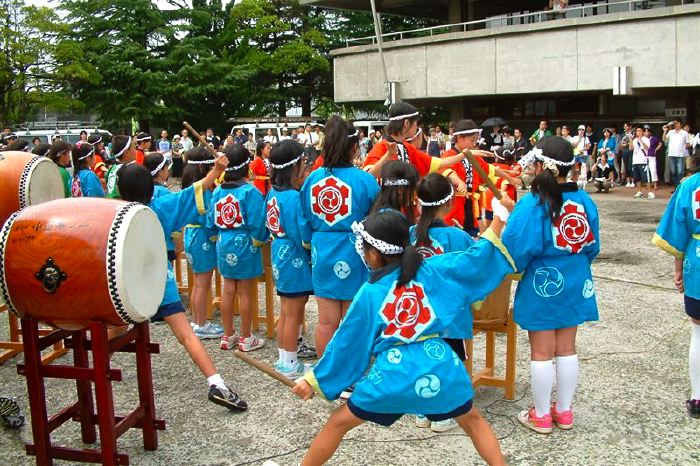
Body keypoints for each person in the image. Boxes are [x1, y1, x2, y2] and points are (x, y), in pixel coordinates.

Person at [291, 207, 514, 466]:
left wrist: (313, 381)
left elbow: (346, 345)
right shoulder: (433, 269)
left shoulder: (370, 293)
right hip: (440, 365)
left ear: (374, 253)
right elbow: (474, 259)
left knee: (338, 423)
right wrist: (498, 219)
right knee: (473, 421)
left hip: (392, 375)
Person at [117, 158, 248, 411]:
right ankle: (217, 383)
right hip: (158, 281)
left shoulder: (115, 213)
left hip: (127, 285)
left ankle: (96, 370)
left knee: (114, 329)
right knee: (187, 335)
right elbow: (196, 190)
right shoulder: (158, 206)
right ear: (149, 188)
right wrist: (218, 170)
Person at [503, 136, 599, 434]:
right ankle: (565, 412)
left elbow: (516, 247)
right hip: (575, 277)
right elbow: (592, 245)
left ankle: (542, 415)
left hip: (542, 280)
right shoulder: (585, 200)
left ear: (542, 165)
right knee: (567, 348)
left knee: (542, 351)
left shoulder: (533, 203)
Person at [298, 116, 380, 357]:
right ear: (354, 148)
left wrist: (308, 243)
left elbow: (303, 219)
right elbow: (377, 219)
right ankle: (352, 376)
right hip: (356, 252)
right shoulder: (366, 180)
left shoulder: (312, 179)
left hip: (322, 250)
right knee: (354, 322)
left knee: (326, 322)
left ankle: (326, 374)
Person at [409, 173, 476, 432]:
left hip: (418, 311)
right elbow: (473, 269)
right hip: (449, 313)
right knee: (450, 358)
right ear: (448, 204)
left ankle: (422, 409)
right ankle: (443, 412)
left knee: (421, 355)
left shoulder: (411, 234)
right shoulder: (458, 237)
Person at [652, 141, 700, 419]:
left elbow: (677, 230)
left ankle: (697, 397)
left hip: (697, 260)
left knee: (698, 332)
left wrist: (678, 269)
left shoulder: (689, 186)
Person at [207, 144, 267, 352]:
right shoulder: (250, 192)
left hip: (224, 242)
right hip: (244, 243)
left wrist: (216, 235)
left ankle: (227, 334)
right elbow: (259, 222)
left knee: (228, 289)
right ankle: (246, 337)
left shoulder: (217, 192)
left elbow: (211, 220)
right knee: (245, 292)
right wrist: (259, 239)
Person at [266, 140, 315, 378]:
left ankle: (285, 357)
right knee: (294, 310)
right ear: (293, 166)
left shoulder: (272, 192)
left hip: (279, 250)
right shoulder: (293, 198)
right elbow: (301, 233)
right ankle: (290, 362)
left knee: (287, 309)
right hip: (293, 253)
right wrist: (311, 246)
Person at [180, 148, 224, 340]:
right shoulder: (202, 191)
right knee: (202, 283)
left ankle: (197, 320)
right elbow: (208, 218)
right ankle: (200, 324)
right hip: (202, 236)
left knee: (198, 282)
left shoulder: (189, 187)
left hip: (191, 234)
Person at [362, 102, 467, 179]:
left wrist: (465, 155)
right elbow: (367, 176)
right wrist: (387, 157)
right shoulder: (382, 146)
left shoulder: (408, 148)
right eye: (416, 122)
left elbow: (438, 163)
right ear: (406, 123)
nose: (417, 126)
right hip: (387, 207)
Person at [369, 160, 420, 224]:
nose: (416, 196)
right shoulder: (394, 220)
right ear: (400, 189)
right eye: (414, 189)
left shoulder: (378, 212)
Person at [664, 120, 690, 189]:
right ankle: (676, 187)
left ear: (680, 124)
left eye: (677, 123)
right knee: (673, 172)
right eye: (674, 123)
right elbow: (664, 139)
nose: (675, 124)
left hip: (680, 155)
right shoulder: (670, 132)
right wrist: (664, 131)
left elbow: (687, 144)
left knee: (680, 172)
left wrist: (685, 148)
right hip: (671, 154)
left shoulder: (684, 133)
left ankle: (679, 187)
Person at [630, 126, 652, 199]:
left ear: (643, 132)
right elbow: (631, 148)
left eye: (639, 131)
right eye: (637, 131)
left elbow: (647, 148)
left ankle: (649, 192)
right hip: (635, 161)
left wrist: (640, 140)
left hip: (643, 161)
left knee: (646, 177)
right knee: (637, 178)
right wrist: (631, 140)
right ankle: (639, 191)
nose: (638, 132)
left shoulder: (646, 139)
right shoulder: (634, 140)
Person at [644, 125, 661, 193]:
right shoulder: (643, 139)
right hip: (644, 156)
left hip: (652, 155)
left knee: (653, 170)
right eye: (645, 132)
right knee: (645, 170)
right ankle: (647, 184)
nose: (646, 133)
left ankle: (655, 184)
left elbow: (660, 143)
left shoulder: (653, 138)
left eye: (647, 131)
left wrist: (656, 150)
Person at [620, 122, 635, 187]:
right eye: (624, 126)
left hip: (631, 152)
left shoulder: (633, 134)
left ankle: (633, 182)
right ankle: (628, 181)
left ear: (630, 127)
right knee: (626, 167)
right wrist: (626, 144)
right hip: (625, 152)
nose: (625, 127)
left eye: (626, 126)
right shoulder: (623, 135)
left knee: (630, 166)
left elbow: (634, 143)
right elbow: (621, 144)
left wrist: (628, 142)